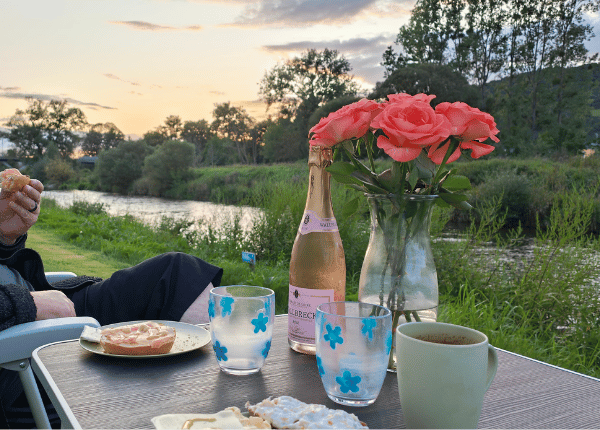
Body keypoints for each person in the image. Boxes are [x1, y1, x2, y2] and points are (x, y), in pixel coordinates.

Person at [0, 178, 223, 428]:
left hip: (36, 299)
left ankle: (219, 405)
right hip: (19, 343)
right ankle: (217, 411)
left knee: (174, 272)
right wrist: (26, 303)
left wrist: (5, 238)